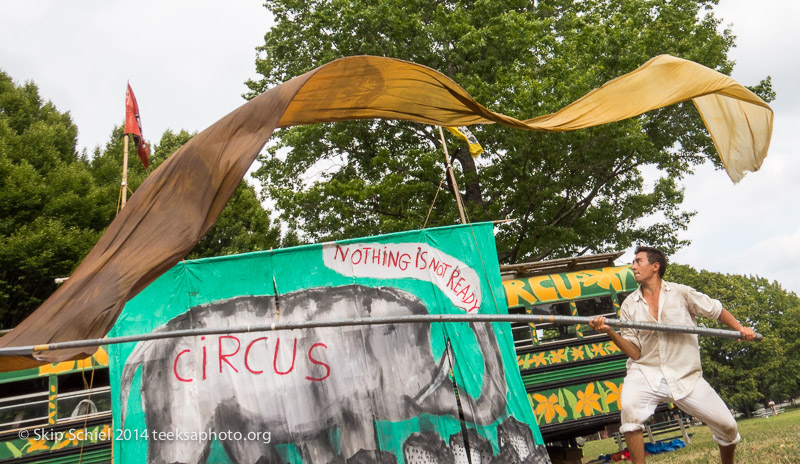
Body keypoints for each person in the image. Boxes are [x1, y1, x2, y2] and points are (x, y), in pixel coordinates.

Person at [589, 246, 755, 464]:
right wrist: (610, 331)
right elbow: (635, 353)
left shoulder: (682, 293)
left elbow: (716, 310)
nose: (633, 266)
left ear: (655, 266)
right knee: (630, 414)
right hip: (645, 372)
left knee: (728, 427)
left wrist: (740, 328)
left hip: (686, 374)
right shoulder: (629, 305)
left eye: (638, 261)